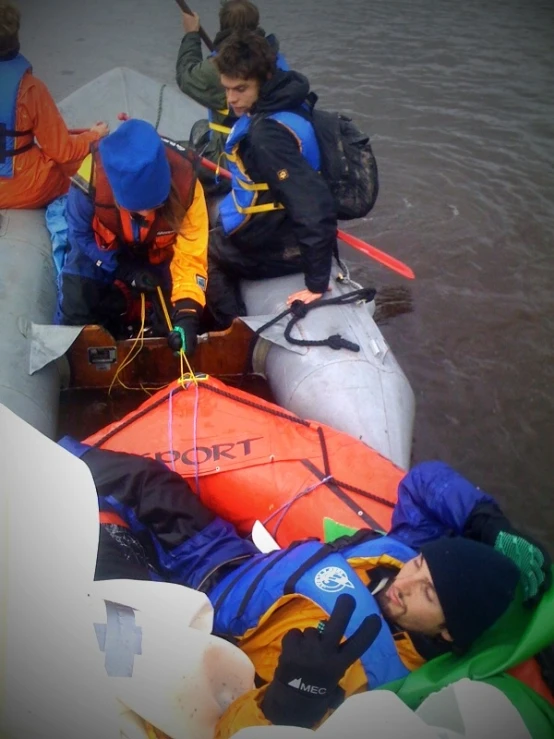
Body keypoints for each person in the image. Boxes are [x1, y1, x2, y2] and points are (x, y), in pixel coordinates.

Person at [58, 436, 552, 736]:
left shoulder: (374, 677)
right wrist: (485, 518)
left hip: (194, 639)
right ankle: (45, 456)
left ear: (447, 635)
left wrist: (288, 701)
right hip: (222, 559)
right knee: (147, 482)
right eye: (422, 564)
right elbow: (424, 483)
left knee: (96, 561)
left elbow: (222, 727)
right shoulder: (400, 551)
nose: (409, 580)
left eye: (429, 594)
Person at [205, 31, 338, 328]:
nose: (231, 99)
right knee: (215, 221)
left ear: (264, 79)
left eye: (240, 89)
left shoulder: (268, 135)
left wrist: (316, 284)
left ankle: (232, 331)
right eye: (226, 89)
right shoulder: (287, 98)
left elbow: (313, 205)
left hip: (284, 248)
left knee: (202, 252)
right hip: (282, 228)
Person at [54, 119, 209, 356]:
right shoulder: (90, 177)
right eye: (137, 210)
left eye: (155, 205)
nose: (147, 215)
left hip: (162, 261)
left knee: (175, 326)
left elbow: (191, 255)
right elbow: (80, 235)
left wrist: (188, 312)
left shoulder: (187, 186)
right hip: (105, 255)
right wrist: (123, 269)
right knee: (76, 306)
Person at [0, 1, 108, 209]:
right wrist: (94, 136)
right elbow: (62, 151)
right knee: (75, 166)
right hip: (22, 187)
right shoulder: (30, 89)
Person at [176, 0, 288, 166]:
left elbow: (186, 76)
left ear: (223, 25)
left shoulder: (222, 67)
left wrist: (191, 34)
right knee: (201, 126)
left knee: (187, 146)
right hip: (271, 141)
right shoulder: (274, 57)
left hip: (235, 152)